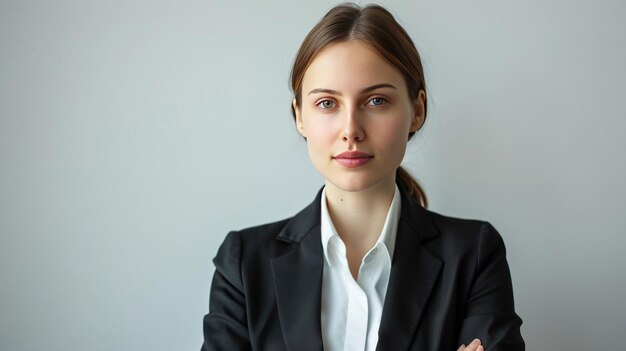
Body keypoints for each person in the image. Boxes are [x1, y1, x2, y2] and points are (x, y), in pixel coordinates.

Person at [201, 3, 524, 351]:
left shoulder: (474, 255)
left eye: (376, 101)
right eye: (327, 103)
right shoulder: (244, 265)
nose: (351, 130)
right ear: (300, 117)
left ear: (417, 111)